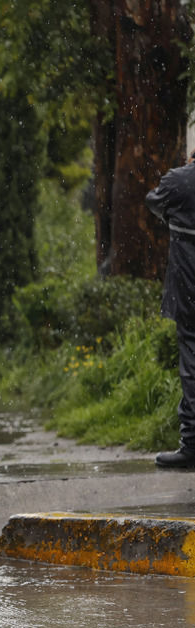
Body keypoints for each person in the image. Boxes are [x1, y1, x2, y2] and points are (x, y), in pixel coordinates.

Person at [146, 151, 195, 468]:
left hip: (189, 287)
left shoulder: (178, 181)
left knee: (191, 359)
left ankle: (191, 444)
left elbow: (153, 201)